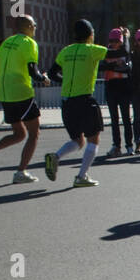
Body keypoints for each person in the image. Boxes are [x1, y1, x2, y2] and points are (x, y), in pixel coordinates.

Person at [0, 16, 51, 182]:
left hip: (5, 94)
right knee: (34, 134)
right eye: (34, 25)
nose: (35, 28)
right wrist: (43, 78)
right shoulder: (29, 43)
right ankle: (21, 172)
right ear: (27, 27)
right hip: (21, 93)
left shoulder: (7, 41)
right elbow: (33, 71)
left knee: (19, 133)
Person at [44, 18, 108, 187]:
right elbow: (116, 55)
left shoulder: (66, 51)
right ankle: (81, 177)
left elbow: (51, 73)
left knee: (78, 140)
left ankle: (55, 157)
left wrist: (65, 81)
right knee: (93, 139)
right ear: (90, 34)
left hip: (67, 102)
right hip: (85, 100)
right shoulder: (92, 49)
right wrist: (126, 40)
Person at [98, 27, 134, 156]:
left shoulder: (125, 52)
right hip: (110, 87)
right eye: (111, 40)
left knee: (126, 118)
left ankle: (129, 146)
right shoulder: (106, 52)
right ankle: (116, 146)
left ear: (121, 41)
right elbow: (100, 66)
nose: (114, 43)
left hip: (123, 87)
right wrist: (115, 66)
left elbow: (128, 69)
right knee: (114, 119)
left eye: (116, 40)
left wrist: (114, 68)